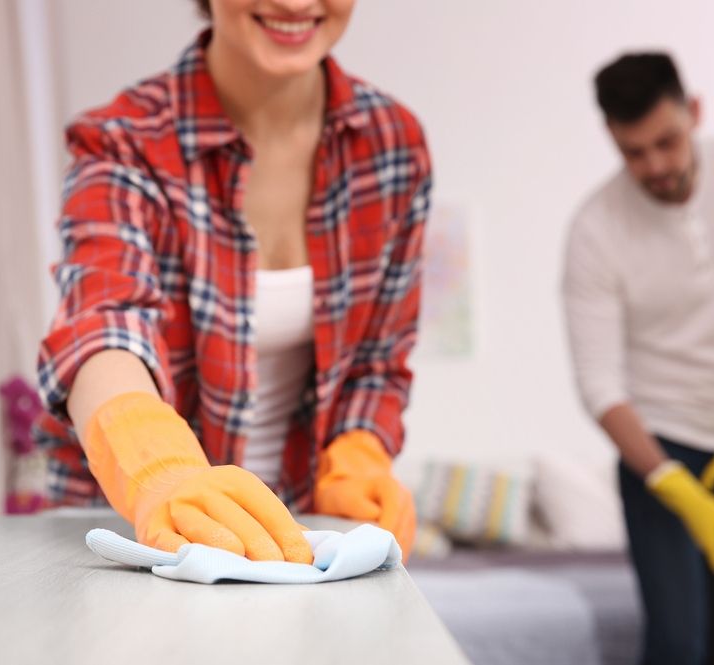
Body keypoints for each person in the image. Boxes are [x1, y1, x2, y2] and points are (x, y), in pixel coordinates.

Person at [34, 0, 430, 563]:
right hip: (129, 531)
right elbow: (102, 326)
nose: (295, 4)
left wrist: (358, 456)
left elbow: (378, 359)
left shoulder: (392, 144)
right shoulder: (124, 140)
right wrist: (160, 471)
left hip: (298, 532)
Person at [562, 53, 714, 664]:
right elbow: (600, 385)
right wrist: (672, 481)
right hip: (658, 452)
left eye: (667, 142)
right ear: (612, 140)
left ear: (694, 112)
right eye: (634, 152)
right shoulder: (596, 228)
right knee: (678, 643)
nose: (656, 166)